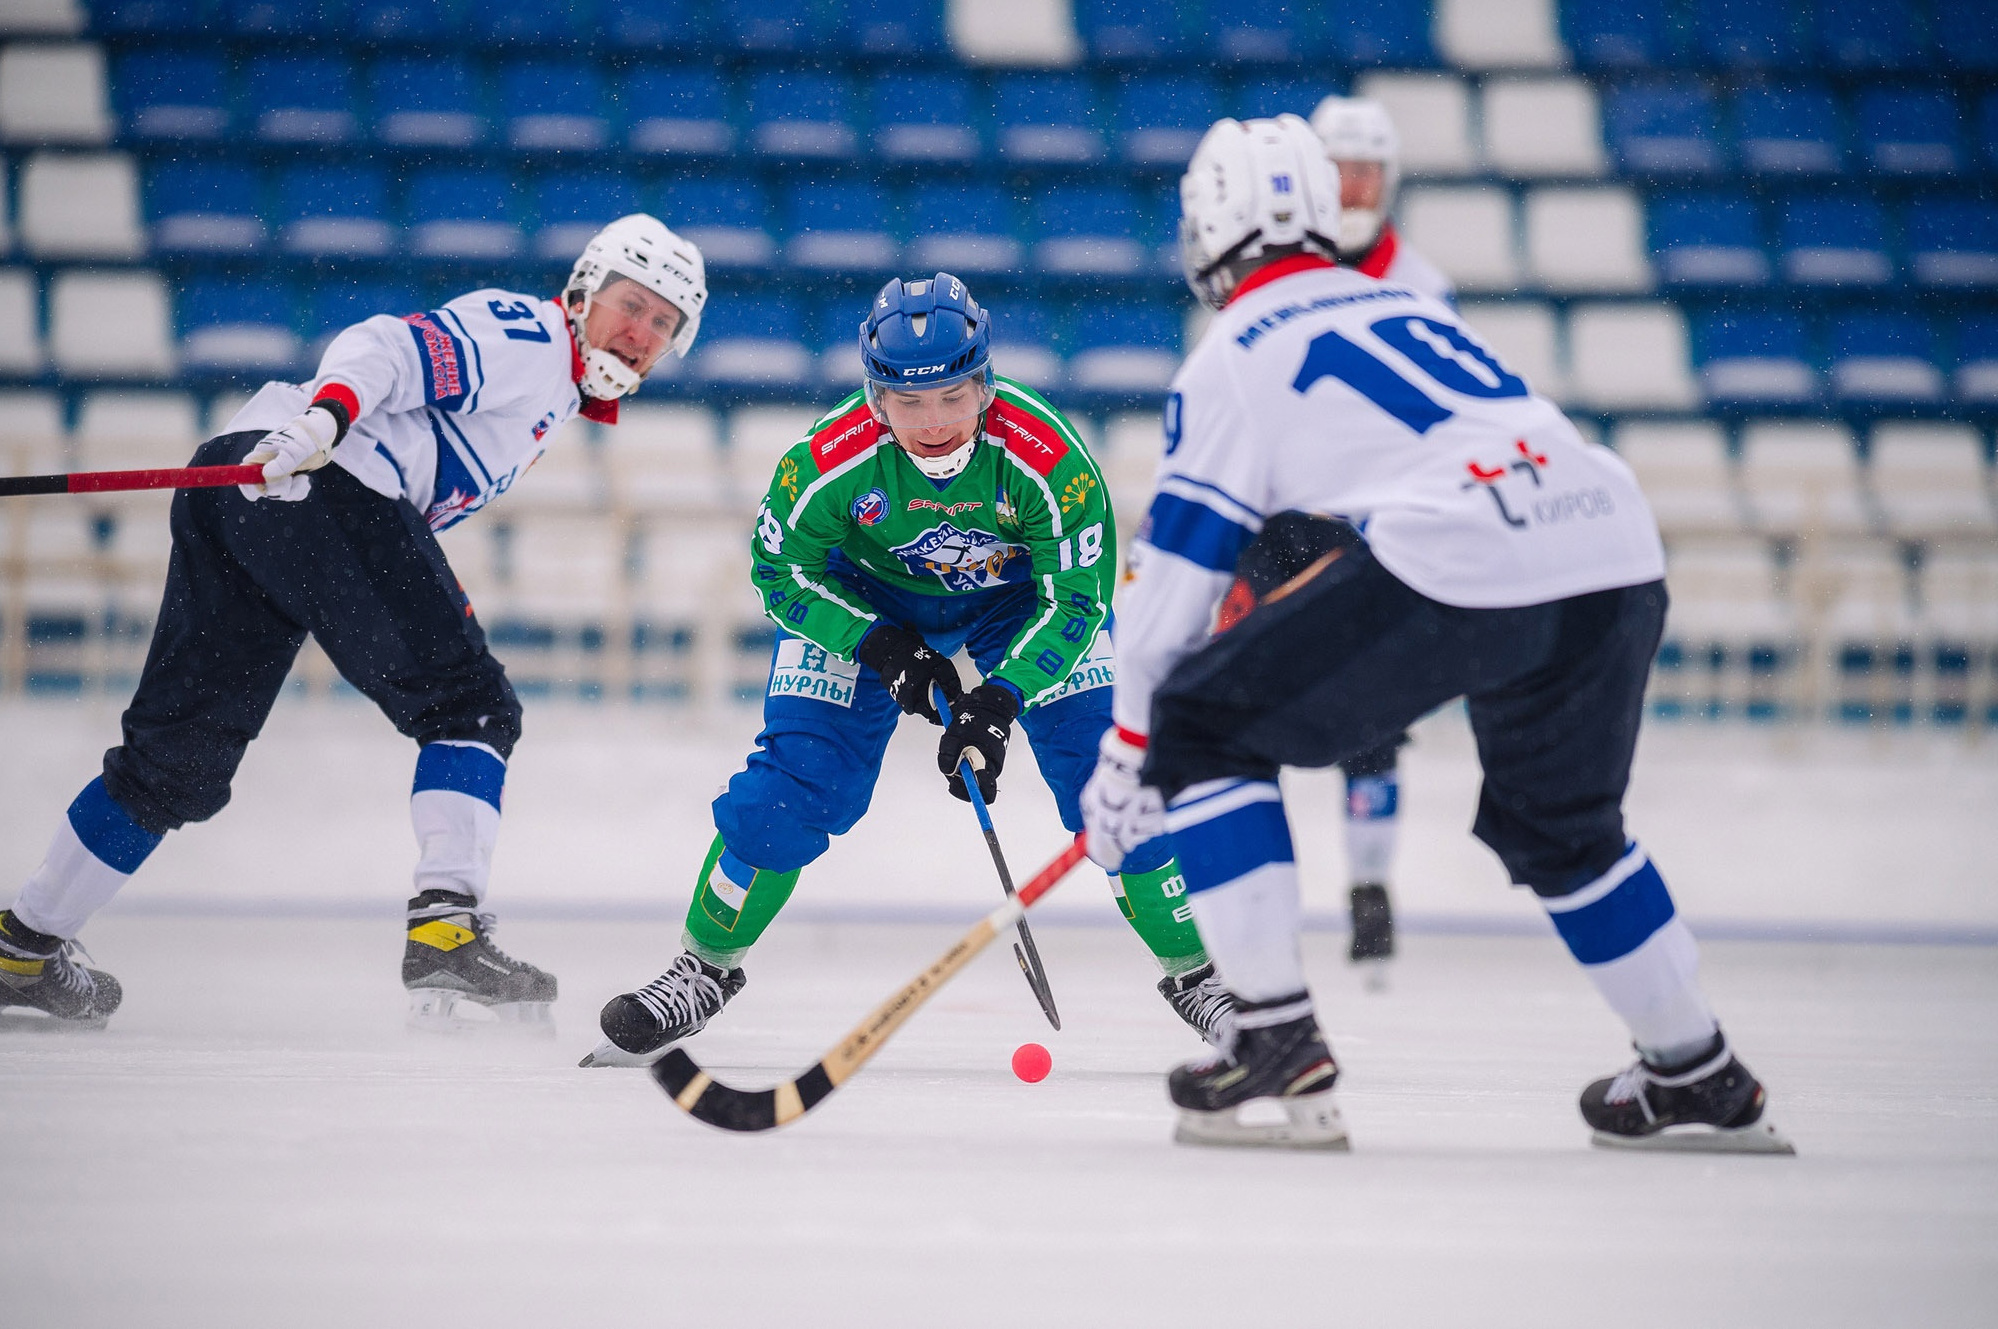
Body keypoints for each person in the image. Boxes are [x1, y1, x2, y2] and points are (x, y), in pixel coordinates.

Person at [1081, 116, 1791, 1154]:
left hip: (1472, 550)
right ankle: (1699, 1071)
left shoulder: (1230, 354)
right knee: (1567, 832)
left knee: (1203, 723)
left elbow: (1167, 595)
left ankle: (1273, 1038)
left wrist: (1134, 752)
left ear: (1208, 229)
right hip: (1611, 542)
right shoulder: (1404, 299)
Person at [0, 215, 707, 1036]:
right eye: (632, 303)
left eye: (665, 322)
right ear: (583, 290)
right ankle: (446, 931)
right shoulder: (536, 338)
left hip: (239, 484)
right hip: (326, 477)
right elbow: (388, 346)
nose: (642, 331)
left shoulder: (554, 384)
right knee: (471, 709)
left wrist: (307, 431)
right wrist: (326, 421)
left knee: (175, 759)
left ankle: (26, 942)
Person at [591, 273, 1228, 1065]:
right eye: (909, 400)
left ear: (986, 383)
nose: (934, 422)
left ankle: (1200, 977)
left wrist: (998, 699)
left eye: (955, 396)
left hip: (1014, 601)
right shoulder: (826, 461)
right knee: (794, 785)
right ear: (874, 397)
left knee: (1113, 774)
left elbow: (1075, 601)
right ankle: (700, 968)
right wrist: (882, 647)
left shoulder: (1050, 459)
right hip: (866, 602)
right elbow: (779, 569)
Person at [1283, 93, 1459, 970]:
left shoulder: (1422, 285)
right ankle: (1257, 892)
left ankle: (1368, 889)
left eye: (1366, 171)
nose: (1352, 188)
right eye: (1336, 170)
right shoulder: (1277, 270)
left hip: (1375, 530)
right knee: (1244, 700)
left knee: (1371, 723)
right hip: (1281, 524)